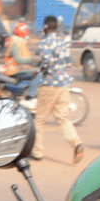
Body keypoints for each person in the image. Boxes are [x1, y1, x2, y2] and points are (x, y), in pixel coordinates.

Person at [33, 14, 83, 163]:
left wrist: (38, 70)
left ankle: (37, 151)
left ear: (45, 28)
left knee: (39, 120)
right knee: (63, 118)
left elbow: (47, 62)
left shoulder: (44, 43)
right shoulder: (62, 43)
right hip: (64, 84)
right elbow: (68, 63)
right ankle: (76, 143)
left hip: (50, 84)